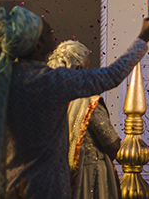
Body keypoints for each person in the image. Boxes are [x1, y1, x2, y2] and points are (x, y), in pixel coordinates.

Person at [0, 6, 149, 199]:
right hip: (46, 187)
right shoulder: (52, 81)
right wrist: (143, 37)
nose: (53, 35)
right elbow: (111, 76)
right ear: (37, 45)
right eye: (48, 32)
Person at [46, 40, 121, 199]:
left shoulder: (48, 99)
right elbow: (112, 144)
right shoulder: (88, 100)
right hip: (88, 173)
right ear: (79, 69)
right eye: (88, 67)